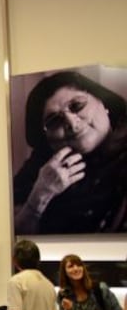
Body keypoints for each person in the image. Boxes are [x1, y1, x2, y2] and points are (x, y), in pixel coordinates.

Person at [13, 71, 127, 234]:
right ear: (47, 138)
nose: (72, 124)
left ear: (103, 103)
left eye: (77, 106)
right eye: (54, 120)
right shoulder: (39, 168)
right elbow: (16, 242)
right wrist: (40, 195)